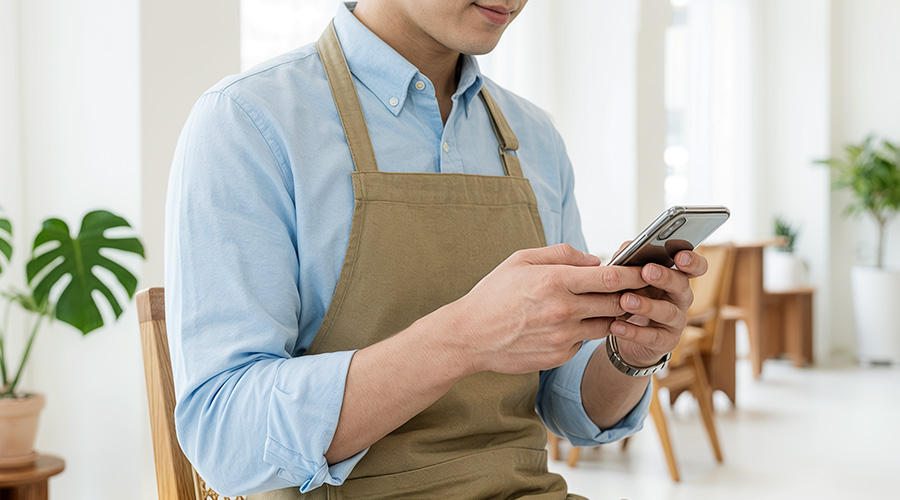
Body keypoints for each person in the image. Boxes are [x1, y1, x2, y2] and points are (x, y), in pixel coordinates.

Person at [164, 1, 708, 498]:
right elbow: (224, 434)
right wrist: (464, 339)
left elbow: (567, 406)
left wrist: (628, 353)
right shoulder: (250, 123)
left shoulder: (536, 137)